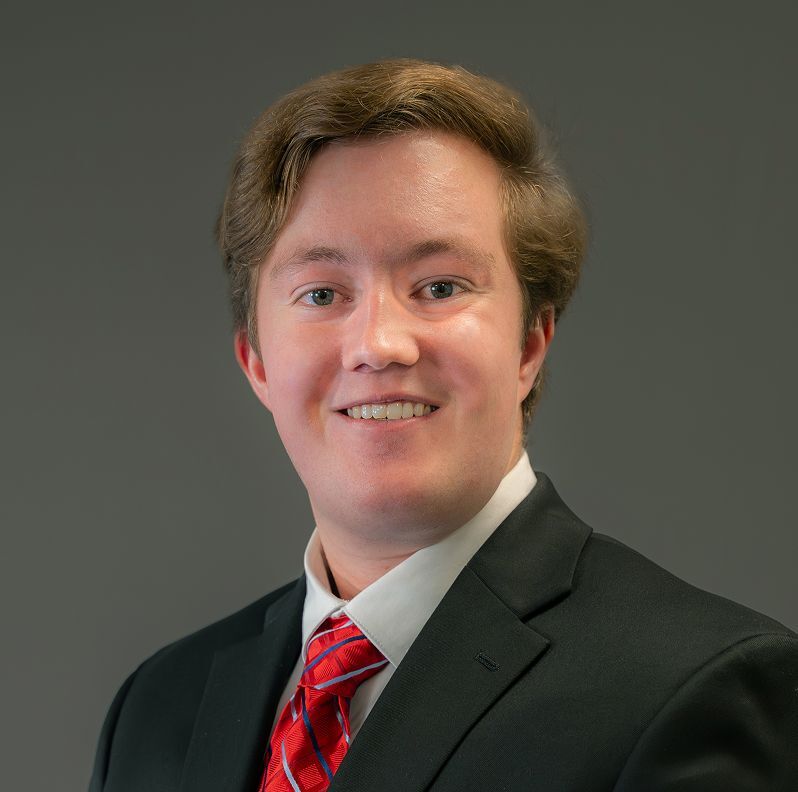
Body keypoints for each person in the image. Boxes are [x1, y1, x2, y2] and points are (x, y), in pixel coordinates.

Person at [89, 59, 798, 792]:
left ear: (529, 342)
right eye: (322, 292)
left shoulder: (700, 688)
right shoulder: (161, 704)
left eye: (439, 287)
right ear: (257, 361)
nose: (379, 345)